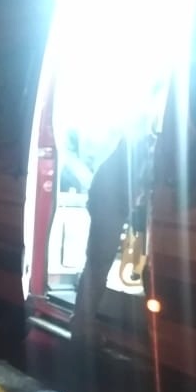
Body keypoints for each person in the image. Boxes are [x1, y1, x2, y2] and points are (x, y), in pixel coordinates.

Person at [70, 135, 134, 346]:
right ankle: (83, 327)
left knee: (95, 268)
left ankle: (80, 322)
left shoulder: (118, 158)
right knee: (97, 269)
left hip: (105, 209)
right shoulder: (131, 156)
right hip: (108, 210)